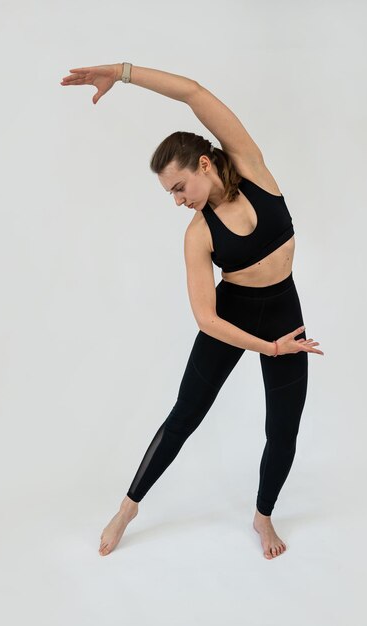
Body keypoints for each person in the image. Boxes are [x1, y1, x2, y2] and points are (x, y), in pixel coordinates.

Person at [60, 62, 324, 560]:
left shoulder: (251, 167)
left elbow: (193, 93)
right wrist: (270, 347)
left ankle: (263, 516)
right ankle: (128, 507)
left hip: (285, 309)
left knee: (284, 426)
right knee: (185, 416)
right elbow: (207, 319)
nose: (177, 200)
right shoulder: (198, 234)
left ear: (204, 163)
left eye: (178, 187)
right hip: (234, 318)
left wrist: (121, 72)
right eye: (170, 194)